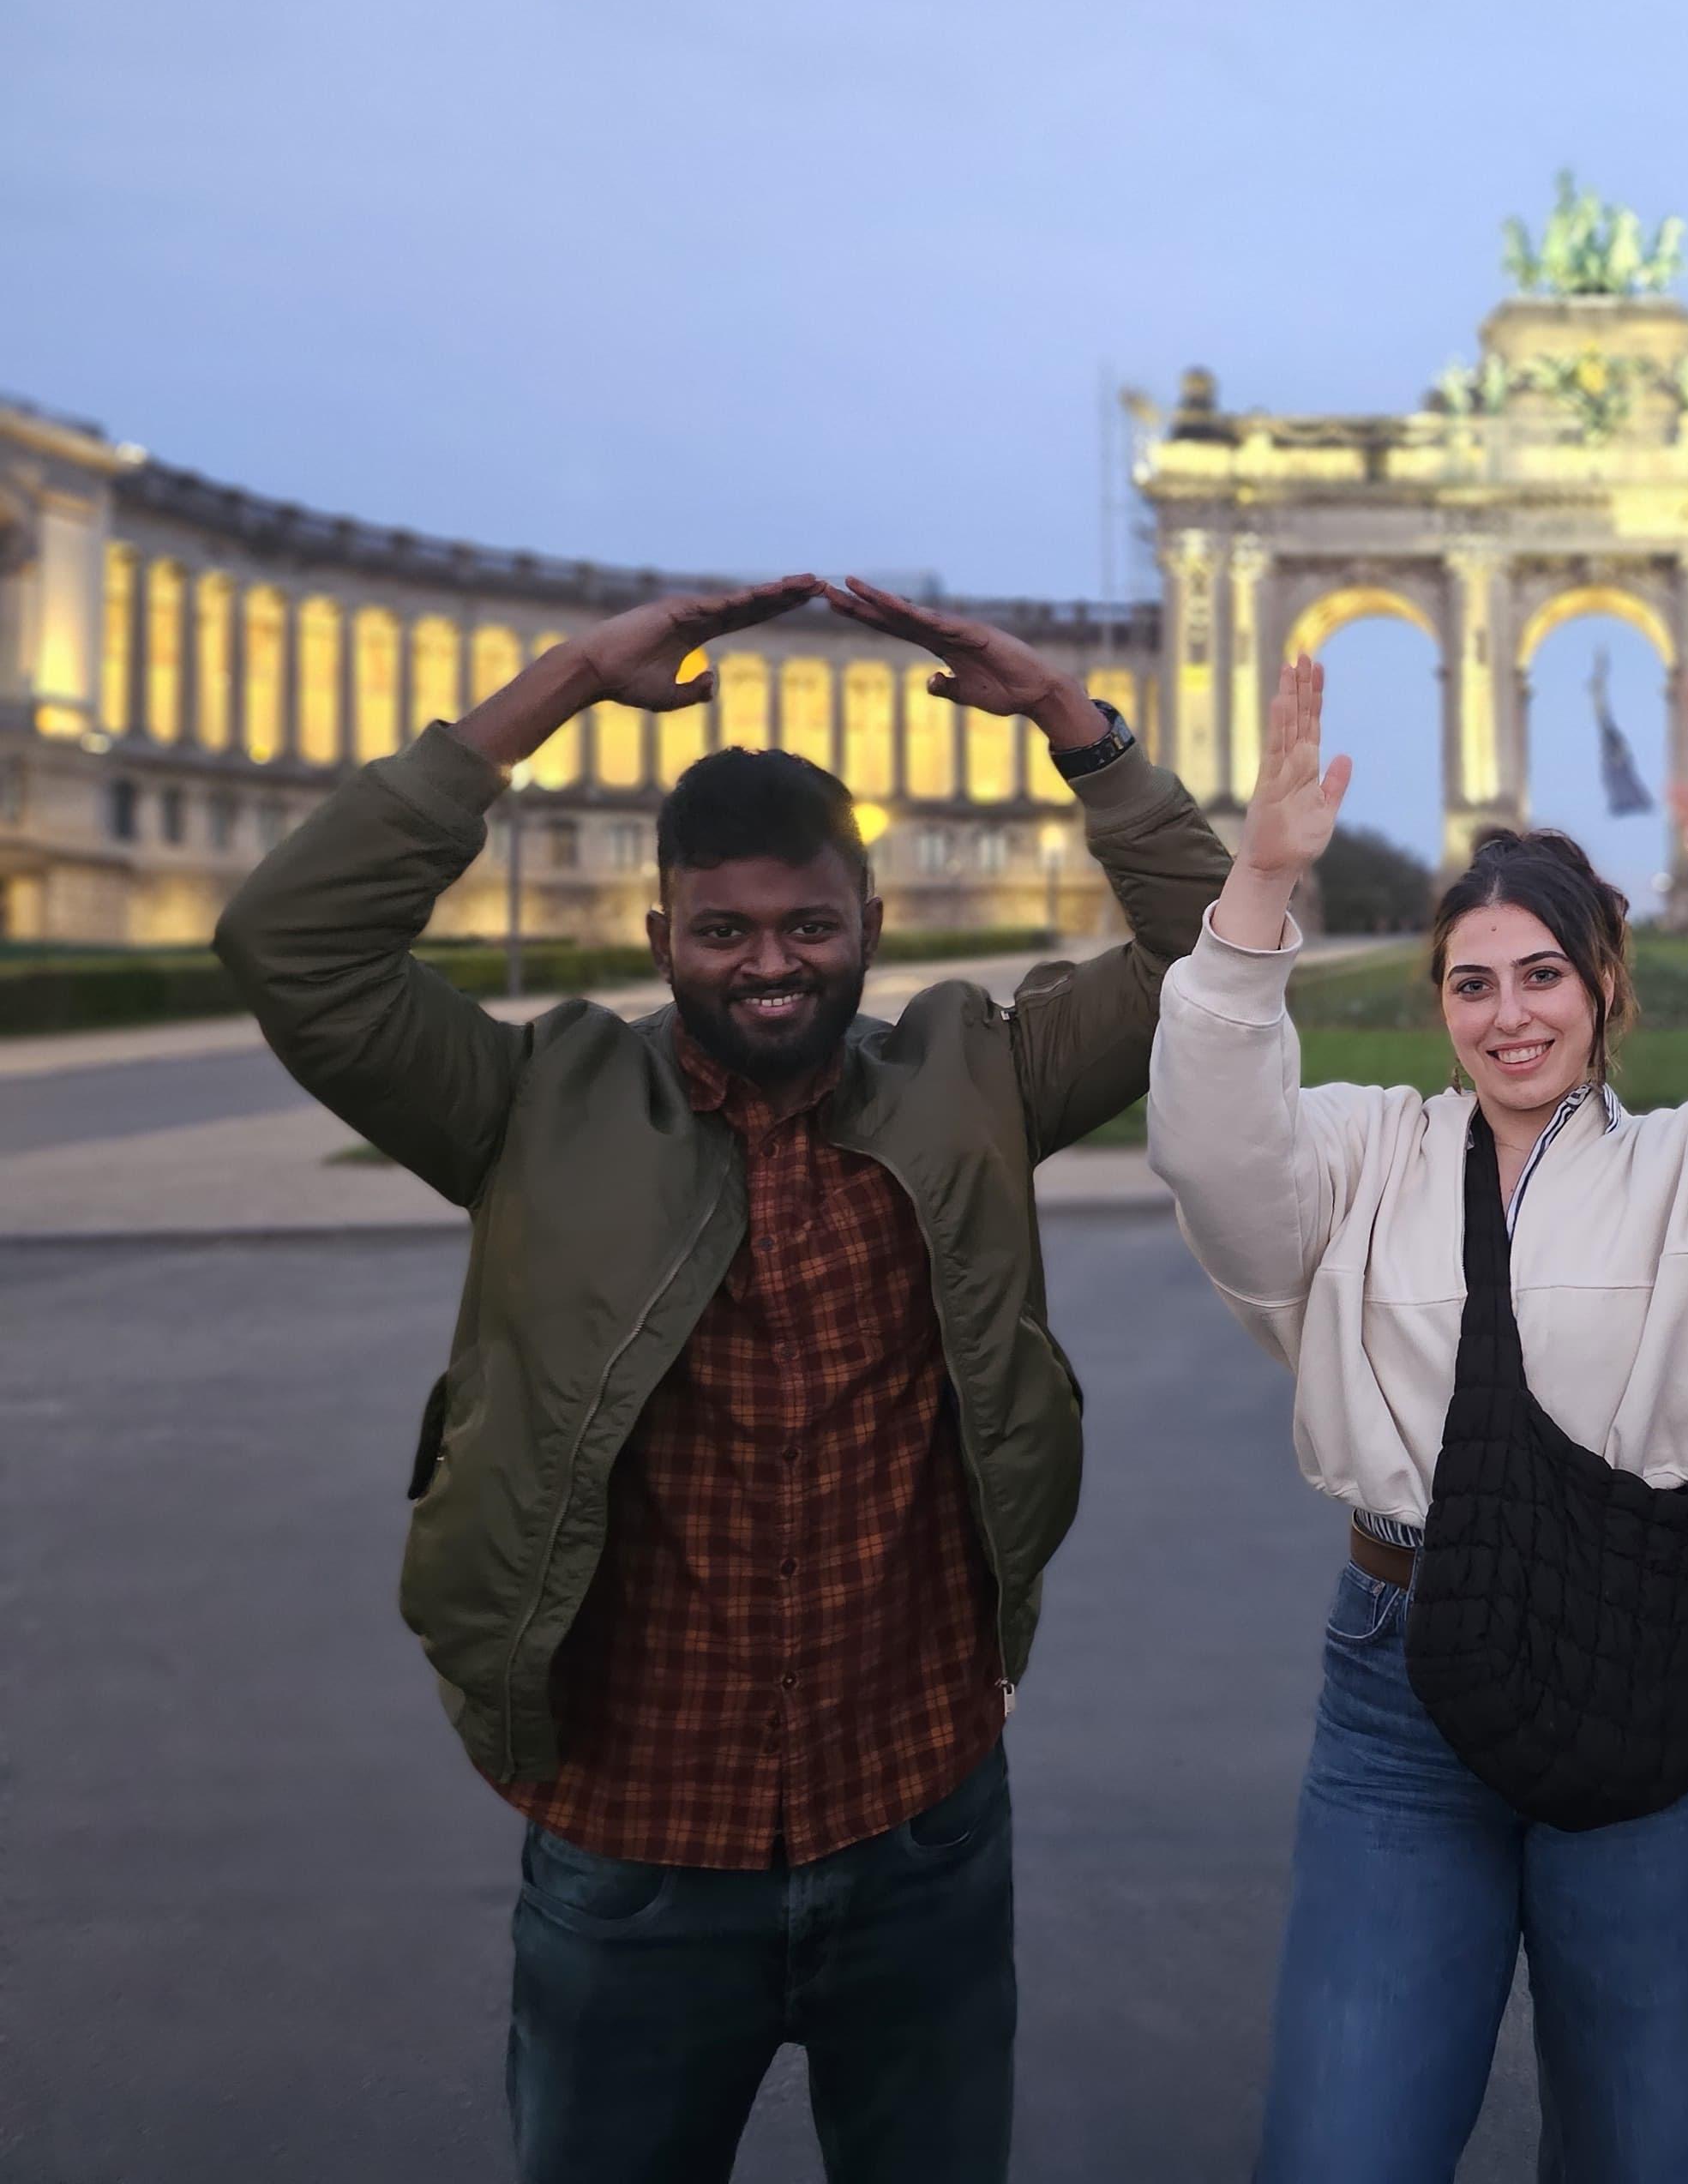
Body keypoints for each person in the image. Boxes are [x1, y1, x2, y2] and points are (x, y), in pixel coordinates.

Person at [213, 574, 1227, 2184]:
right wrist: (553, 691)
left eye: (811, 926)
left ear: (870, 929)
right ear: (660, 936)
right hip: (632, 1849)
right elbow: (292, 943)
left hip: (919, 1827)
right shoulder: (529, 1102)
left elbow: (1217, 952)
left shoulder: (975, 1076)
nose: (773, 965)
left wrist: (1073, 725)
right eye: (727, 931)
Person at [1145, 656, 1688, 2184]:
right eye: (1473, 981)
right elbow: (1215, 1158)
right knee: (1339, 2152)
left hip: (1642, 1670)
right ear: (1439, 1003)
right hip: (1399, 1677)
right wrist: (1256, 901)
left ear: (1604, 983)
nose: (1509, 1018)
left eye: (1543, 974)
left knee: (1634, 2149)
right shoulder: (1362, 1152)